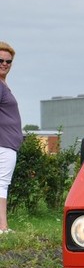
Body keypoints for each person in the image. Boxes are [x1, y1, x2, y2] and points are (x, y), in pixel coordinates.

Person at [0, 41, 22, 234]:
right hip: (3, 144)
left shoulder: (3, 85)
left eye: (8, 61)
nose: (4, 64)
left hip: (7, 144)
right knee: (2, 184)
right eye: (0, 60)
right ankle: (3, 227)